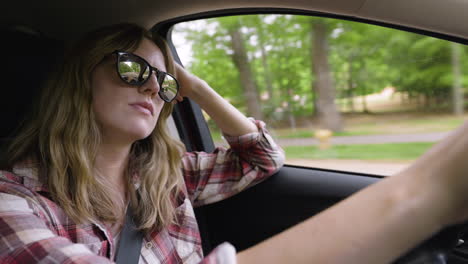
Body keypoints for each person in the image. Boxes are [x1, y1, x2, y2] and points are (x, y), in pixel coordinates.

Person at [1, 22, 468, 264]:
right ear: (78, 77)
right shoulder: (15, 201)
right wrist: (425, 191)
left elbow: (263, 157)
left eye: (164, 83)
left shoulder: (168, 172)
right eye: (132, 69)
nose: (151, 88)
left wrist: (196, 89)